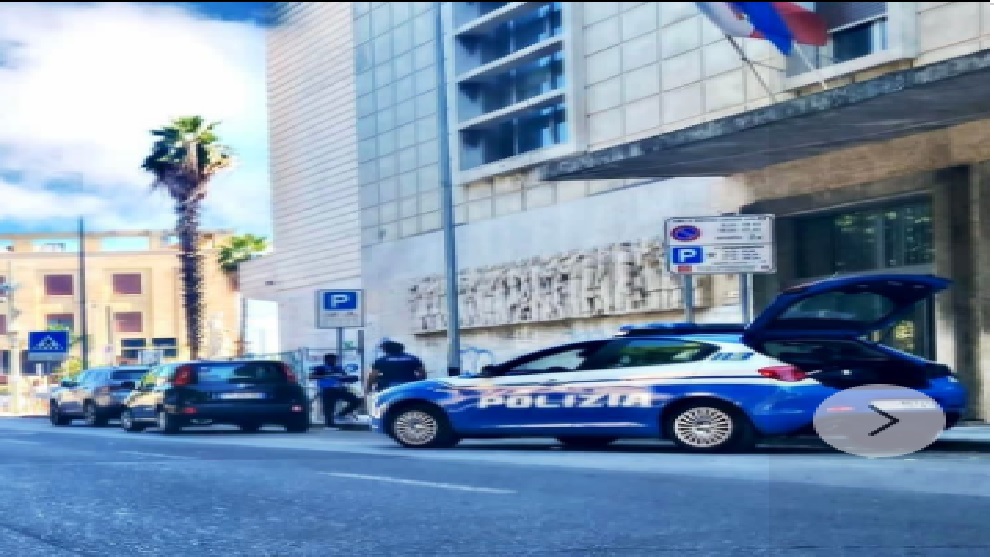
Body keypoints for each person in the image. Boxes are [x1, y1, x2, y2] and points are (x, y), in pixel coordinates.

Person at [309, 353, 362, 427]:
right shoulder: (321, 368)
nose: (333, 361)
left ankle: (341, 414)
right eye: (331, 360)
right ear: (326, 360)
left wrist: (351, 379)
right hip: (327, 389)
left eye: (334, 360)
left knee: (356, 401)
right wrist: (326, 376)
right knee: (329, 407)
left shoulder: (339, 368)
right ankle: (329, 423)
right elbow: (311, 377)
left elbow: (344, 378)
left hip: (339, 389)